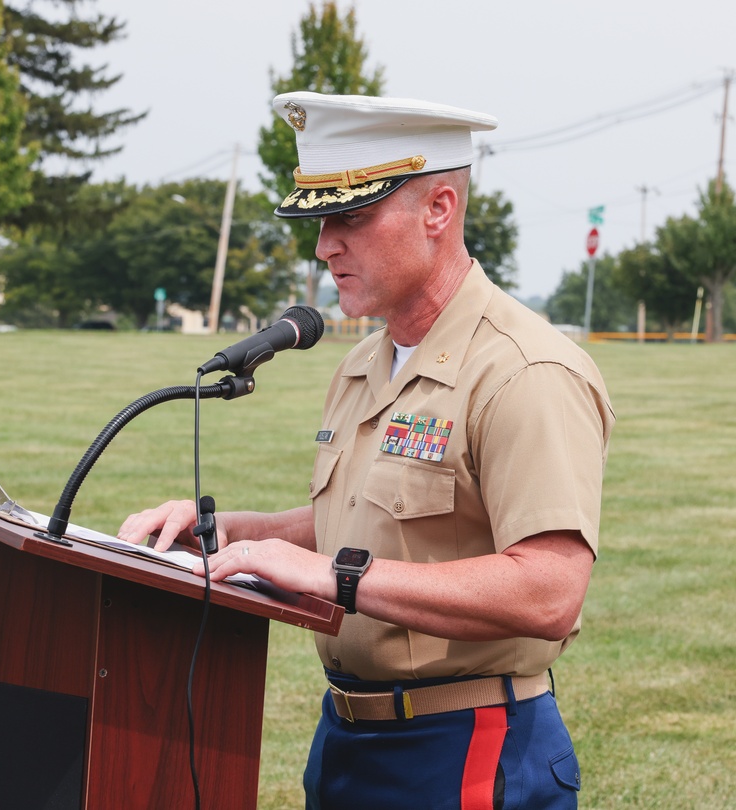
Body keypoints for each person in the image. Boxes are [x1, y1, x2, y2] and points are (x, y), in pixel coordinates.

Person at [117, 91, 615, 810]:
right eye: (320, 220)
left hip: (466, 748)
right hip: (348, 741)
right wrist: (236, 535)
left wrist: (335, 576)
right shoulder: (362, 363)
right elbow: (365, 520)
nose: (324, 246)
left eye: (350, 216)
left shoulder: (525, 371)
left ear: (439, 210)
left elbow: (549, 592)